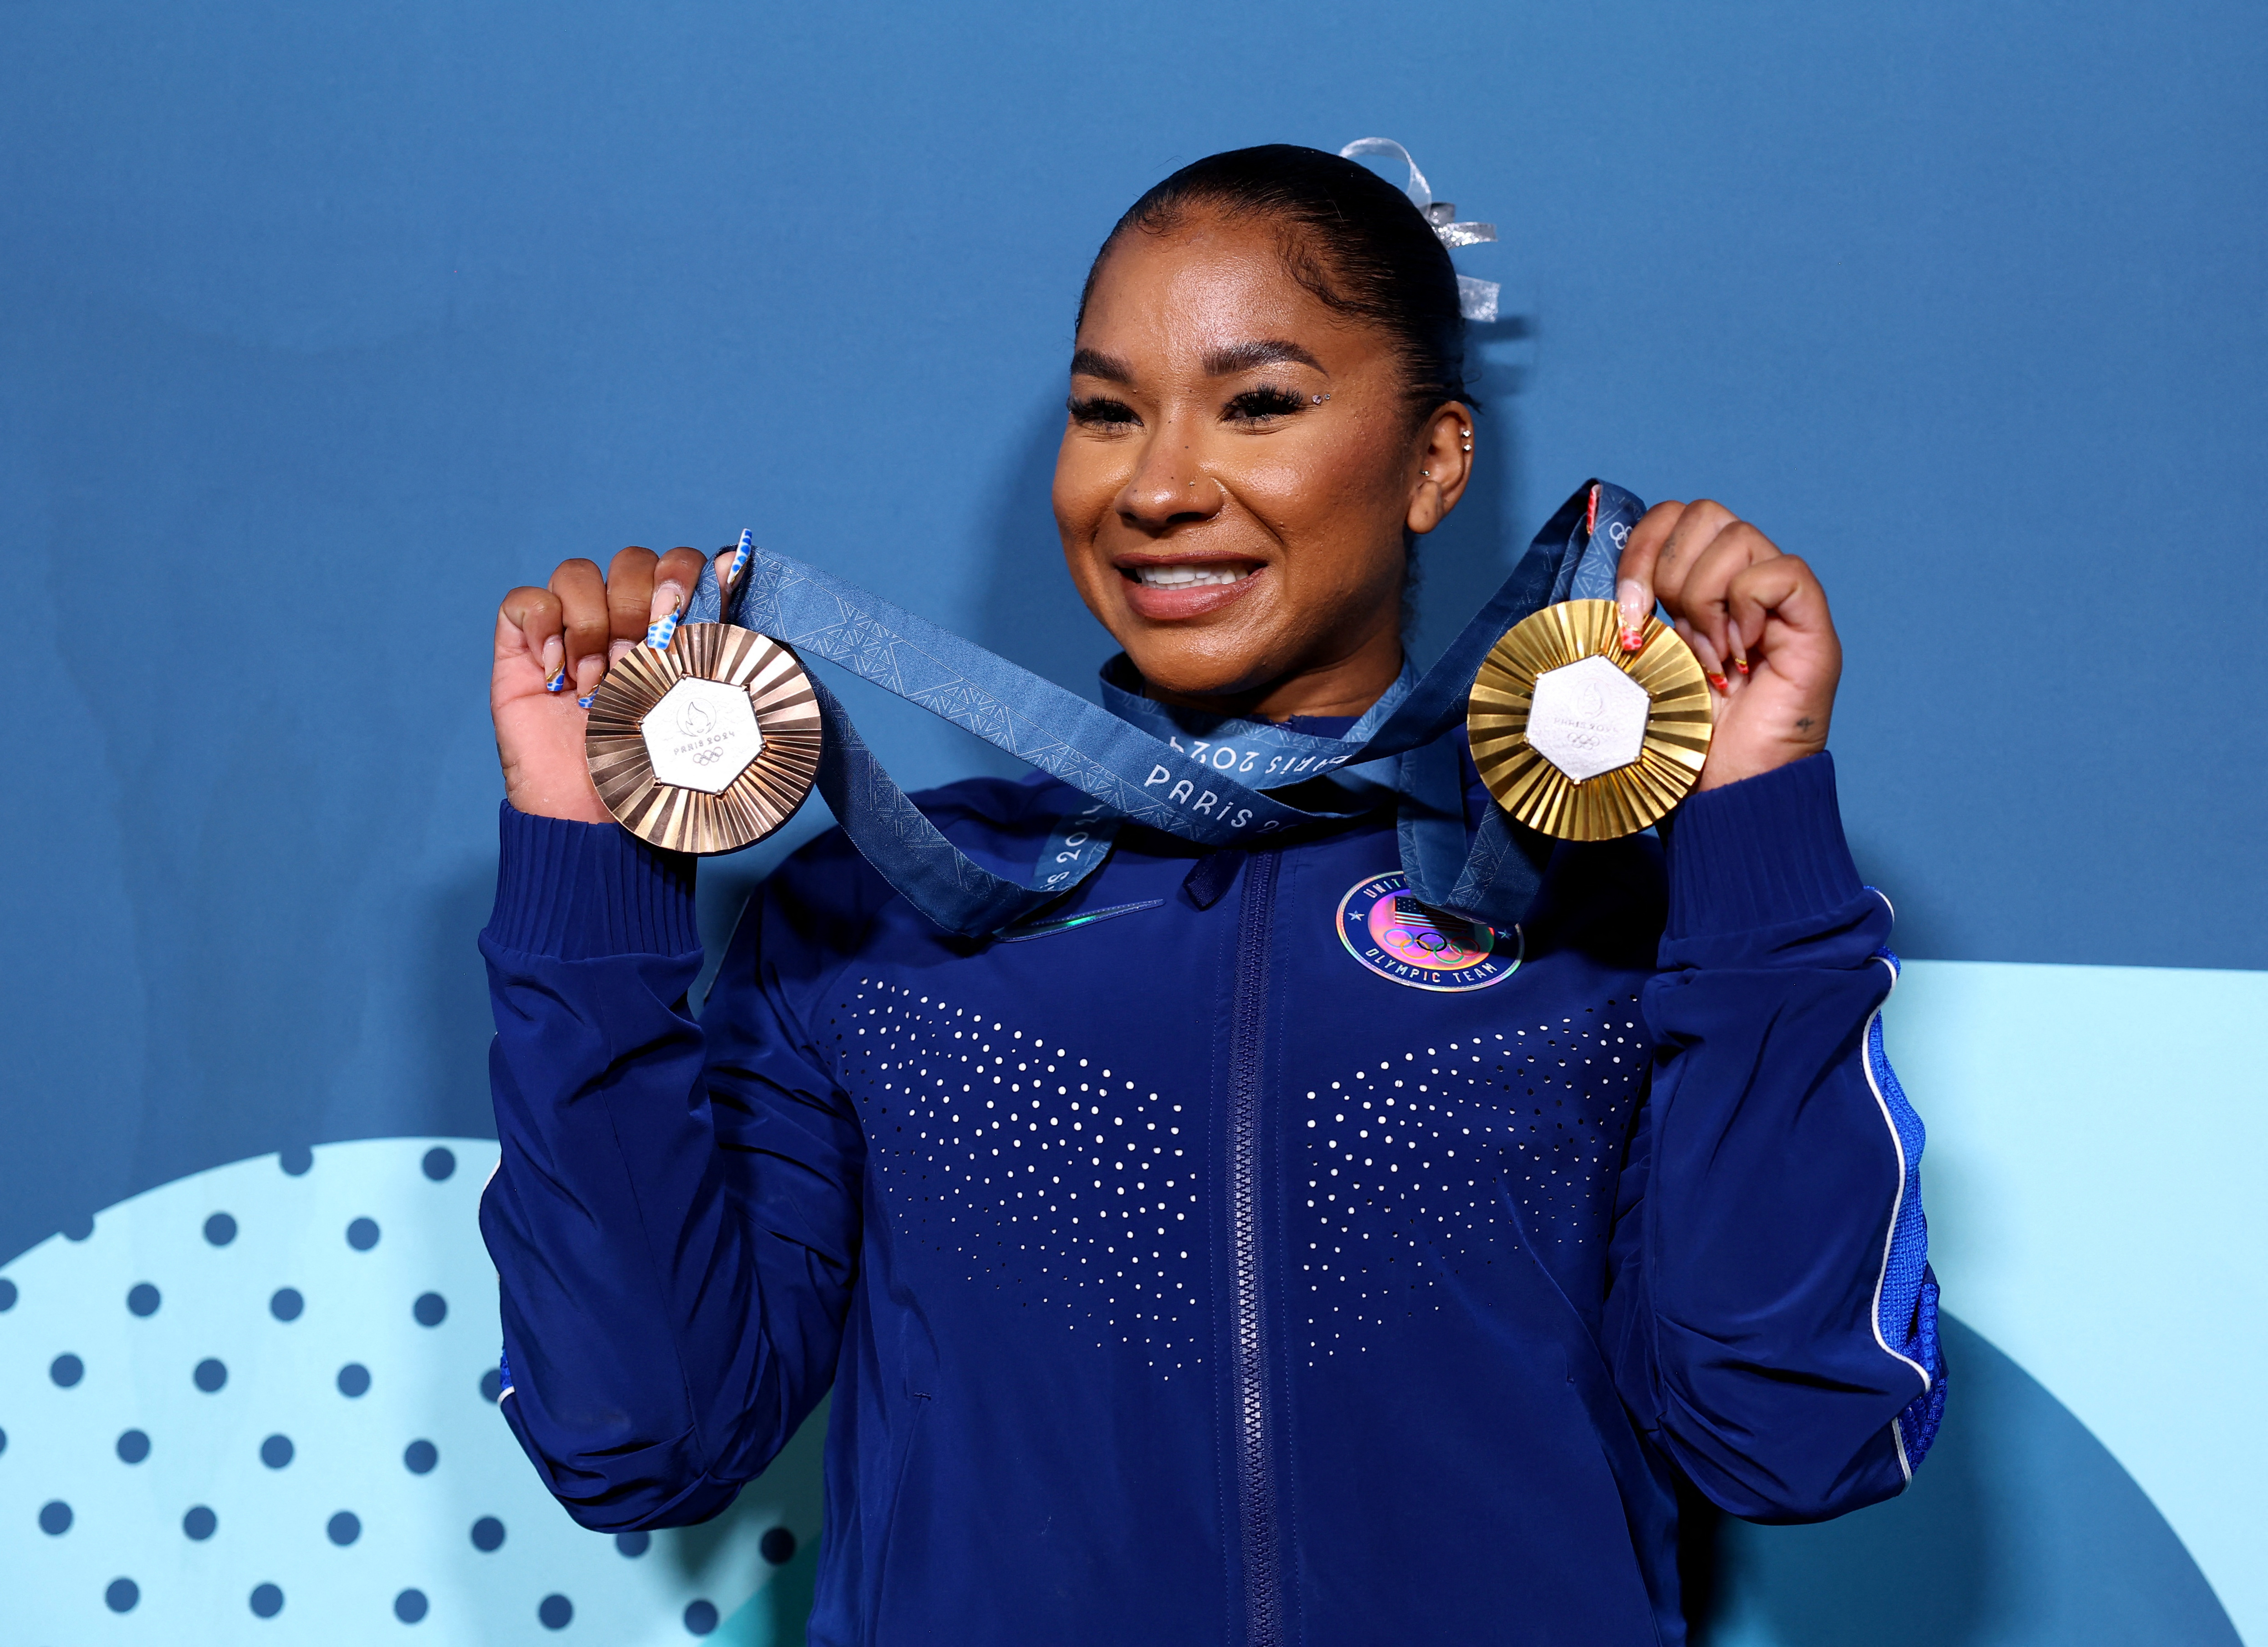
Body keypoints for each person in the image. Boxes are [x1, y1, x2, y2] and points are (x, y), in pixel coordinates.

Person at [478, 144, 1941, 1647]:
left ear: (1435, 460)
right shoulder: (875, 918)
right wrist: (597, 874)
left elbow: (1795, 1435)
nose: (1160, 486)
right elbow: (638, 1438)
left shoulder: (1610, 916)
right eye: (1107, 413)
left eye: (1260, 404)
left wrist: (1752, 833)